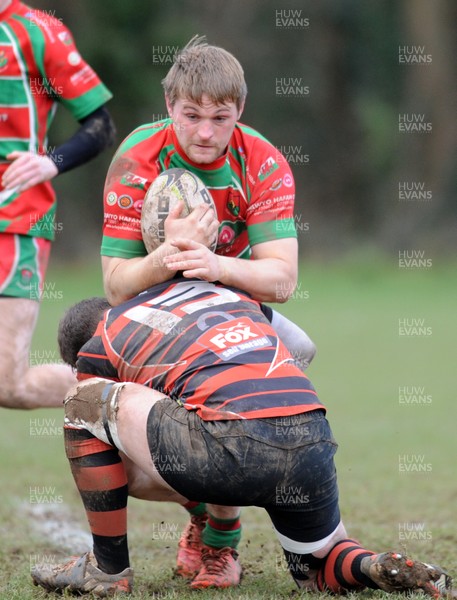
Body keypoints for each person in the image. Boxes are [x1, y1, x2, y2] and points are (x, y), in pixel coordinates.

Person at [31, 279, 454, 597]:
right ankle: (371, 566)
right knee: (317, 570)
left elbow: (123, 453)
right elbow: (304, 347)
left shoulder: (103, 339)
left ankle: (107, 571)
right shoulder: (223, 292)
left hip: (229, 448)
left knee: (81, 401)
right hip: (311, 439)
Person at [100, 35, 315, 369]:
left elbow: (283, 280)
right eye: (191, 115)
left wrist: (219, 267)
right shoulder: (137, 159)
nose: (204, 133)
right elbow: (116, 288)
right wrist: (171, 254)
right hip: (152, 302)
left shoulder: (264, 163)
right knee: (93, 340)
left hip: (228, 299)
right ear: (169, 104)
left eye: (219, 118)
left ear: (240, 110)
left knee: (300, 348)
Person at [0, 0, 115, 409]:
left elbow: (100, 125)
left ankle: (139, 390)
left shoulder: (37, 31)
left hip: (13, 218)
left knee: (7, 384)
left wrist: (50, 162)